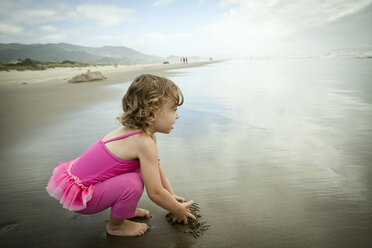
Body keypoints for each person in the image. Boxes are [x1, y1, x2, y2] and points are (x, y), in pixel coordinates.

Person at [46, 74, 196, 237]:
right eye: (174, 109)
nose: (177, 115)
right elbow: (155, 192)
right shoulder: (143, 142)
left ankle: (125, 209)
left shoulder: (146, 135)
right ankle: (116, 226)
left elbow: (156, 167)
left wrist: (171, 195)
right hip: (84, 197)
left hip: (88, 184)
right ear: (151, 114)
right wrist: (178, 210)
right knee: (133, 182)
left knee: (144, 169)